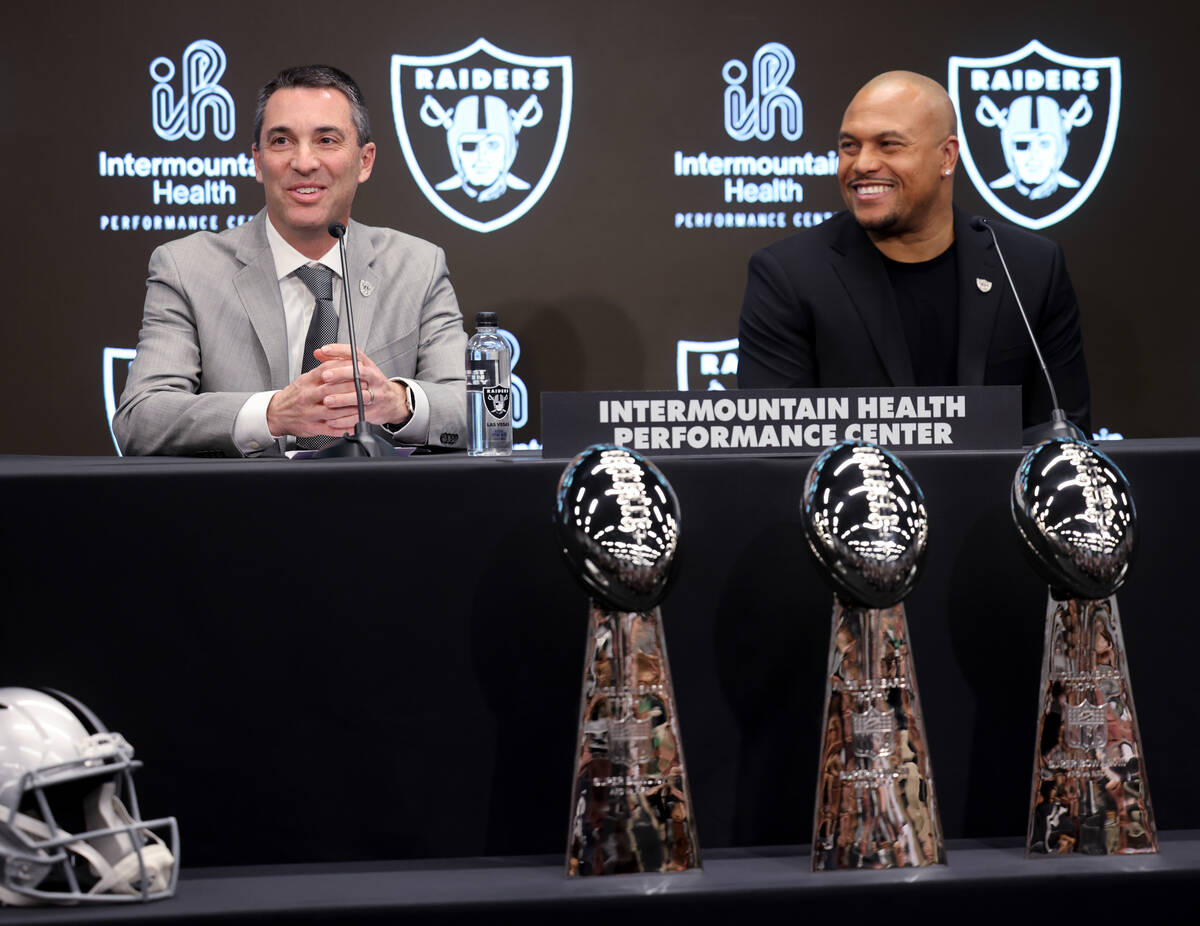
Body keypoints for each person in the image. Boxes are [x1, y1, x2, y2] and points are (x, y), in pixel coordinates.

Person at [115, 65, 467, 456]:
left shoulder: (417, 267)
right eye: (282, 141)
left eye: (327, 140)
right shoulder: (186, 268)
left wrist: (398, 402)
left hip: (377, 509)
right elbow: (140, 419)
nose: (304, 161)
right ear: (257, 160)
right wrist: (271, 414)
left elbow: (475, 411)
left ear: (365, 161)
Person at [737, 71, 1091, 436]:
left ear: (946, 156)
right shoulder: (789, 275)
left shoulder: (1027, 267)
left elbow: (1062, 438)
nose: (862, 164)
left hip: (996, 493)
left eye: (888, 144)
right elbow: (778, 448)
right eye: (849, 146)